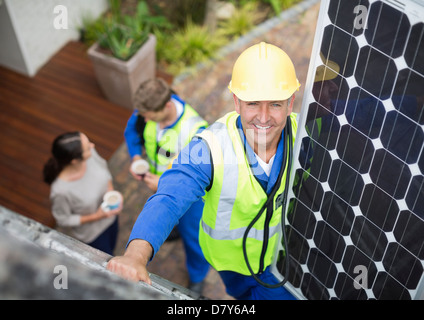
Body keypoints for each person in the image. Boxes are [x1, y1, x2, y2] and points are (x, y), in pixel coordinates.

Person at [108, 42, 300, 300]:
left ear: (291, 103)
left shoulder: (306, 135)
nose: (264, 117)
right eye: (253, 103)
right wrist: (135, 256)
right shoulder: (209, 147)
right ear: (236, 102)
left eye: (276, 104)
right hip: (232, 264)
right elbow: (170, 197)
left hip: (281, 260)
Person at [123, 78, 210, 293]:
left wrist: (162, 183)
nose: (144, 119)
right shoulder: (147, 110)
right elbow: (132, 131)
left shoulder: (196, 131)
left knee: (195, 238)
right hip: (160, 186)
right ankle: (175, 228)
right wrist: (135, 157)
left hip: (191, 200)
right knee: (170, 218)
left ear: (167, 105)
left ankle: (198, 276)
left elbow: (201, 176)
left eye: (149, 116)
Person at [43, 132, 122, 255]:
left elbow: (103, 168)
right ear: (75, 160)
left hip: (111, 218)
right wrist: (97, 216)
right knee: (106, 258)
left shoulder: (90, 155)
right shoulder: (60, 191)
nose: (93, 145)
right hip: (93, 235)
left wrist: (111, 193)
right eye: (87, 147)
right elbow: (63, 220)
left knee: (113, 245)